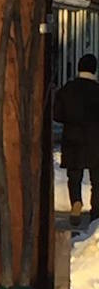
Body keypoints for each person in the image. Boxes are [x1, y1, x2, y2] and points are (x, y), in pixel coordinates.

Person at [54, 52, 99, 228]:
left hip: (73, 140)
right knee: (97, 180)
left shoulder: (67, 90)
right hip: (95, 141)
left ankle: (76, 202)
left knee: (74, 176)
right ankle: (96, 214)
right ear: (94, 69)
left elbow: (57, 114)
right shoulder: (97, 90)